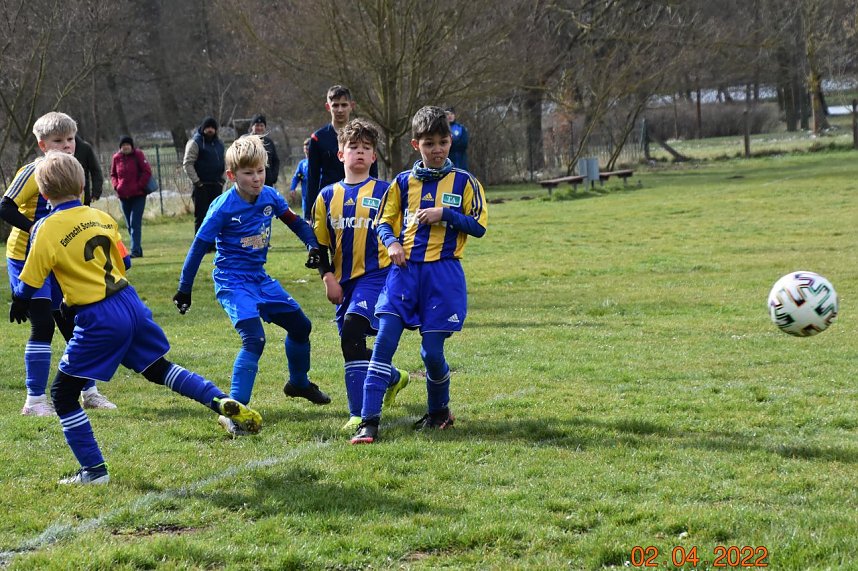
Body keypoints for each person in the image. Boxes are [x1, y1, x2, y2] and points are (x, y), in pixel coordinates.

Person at [9, 150, 262, 484]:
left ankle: (94, 471)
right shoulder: (102, 217)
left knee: (63, 395)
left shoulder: (44, 227)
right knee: (160, 368)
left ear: (43, 193)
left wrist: (20, 300)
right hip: (130, 302)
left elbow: (30, 279)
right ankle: (219, 399)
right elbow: (123, 262)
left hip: (98, 315)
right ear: (83, 184)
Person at [172, 135, 331, 436]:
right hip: (232, 282)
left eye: (260, 170)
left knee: (301, 327)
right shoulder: (222, 208)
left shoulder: (271, 197)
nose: (257, 178)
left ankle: (298, 383)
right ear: (232, 176)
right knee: (254, 340)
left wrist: (312, 245)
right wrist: (184, 288)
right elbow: (197, 247)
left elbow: (296, 223)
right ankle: (234, 413)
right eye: (248, 173)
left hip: (259, 279)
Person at [351, 106, 488, 444]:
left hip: (444, 276)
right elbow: (382, 221)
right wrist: (392, 243)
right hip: (404, 273)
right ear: (416, 145)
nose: (437, 149)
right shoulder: (401, 183)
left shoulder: (466, 183)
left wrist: (445, 214)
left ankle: (439, 411)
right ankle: (368, 422)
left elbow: (479, 226)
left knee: (431, 353)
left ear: (451, 142)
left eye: (443, 142)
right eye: (429, 143)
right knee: (383, 342)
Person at [2, 112, 116, 417]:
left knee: (75, 325)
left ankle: (88, 391)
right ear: (42, 145)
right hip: (26, 257)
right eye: (57, 141)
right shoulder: (34, 171)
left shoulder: (73, 170)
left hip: (59, 260)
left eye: (70, 140)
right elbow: (5, 206)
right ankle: (35, 401)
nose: (66, 146)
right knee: (43, 324)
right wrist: (38, 230)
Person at [312, 119, 409, 431]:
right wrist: (328, 277)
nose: (359, 153)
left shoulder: (385, 193)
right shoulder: (326, 197)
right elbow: (320, 245)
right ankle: (393, 376)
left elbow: (401, 233)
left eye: (366, 149)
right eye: (353, 147)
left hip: (378, 278)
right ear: (341, 154)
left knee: (353, 331)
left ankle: (357, 415)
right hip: (344, 281)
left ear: (374, 157)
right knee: (350, 343)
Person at [306, 85, 378, 221]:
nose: (340, 110)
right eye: (335, 105)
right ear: (328, 107)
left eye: (344, 105)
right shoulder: (317, 138)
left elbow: (373, 170)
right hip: (329, 201)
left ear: (352, 106)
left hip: (361, 199)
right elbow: (312, 177)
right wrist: (309, 214)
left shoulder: (365, 136)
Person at [110, 135, 151, 258]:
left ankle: (135, 251)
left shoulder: (138, 155)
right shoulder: (116, 158)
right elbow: (113, 174)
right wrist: (116, 186)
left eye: (127, 145)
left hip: (138, 195)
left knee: (135, 223)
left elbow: (147, 171)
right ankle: (137, 248)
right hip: (123, 196)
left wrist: (139, 186)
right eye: (123, 145)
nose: (125, 147)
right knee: (129, 224)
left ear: (131, 146)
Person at [182, 116, 225, 234]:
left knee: (216, 216)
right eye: (207, 127)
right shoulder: (195, 143)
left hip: (216, 185)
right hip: (201, 186)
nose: (210, 130)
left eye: (212, 127)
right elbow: (188, 163)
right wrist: (197, 182)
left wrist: (222, 180)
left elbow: (225, 162)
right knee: (201, 217)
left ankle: (213, 244)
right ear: (203, 128)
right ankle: (201, 245)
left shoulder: (219, 144)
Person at [249, 114, 281, 188]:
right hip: (251, 182)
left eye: (261, 125)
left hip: (267, 183)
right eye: (257, 125)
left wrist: (273, 177)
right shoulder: (246, 141)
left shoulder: (269, 142)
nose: (259, 128)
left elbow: (276, 160)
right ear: (252, 127)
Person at [73, 134, 104, 205]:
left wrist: (96, 192)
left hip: (83, 195)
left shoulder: (85, 148)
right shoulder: (55, 148)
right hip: (61, 198)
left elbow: (96, 171)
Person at [289, 138, 310, 216]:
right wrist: (292, 188)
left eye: (308, 148)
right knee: (306, 218)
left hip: (317, 195)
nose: (306, 151)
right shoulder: (302, 164)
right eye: (305, 148)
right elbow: (296, 177)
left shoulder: (319, 162)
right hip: (305, 196)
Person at [445, 107, 469, 171]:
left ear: (455, 115)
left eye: (452, 114)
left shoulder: (461, 128)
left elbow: (464, 144)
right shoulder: (442, 129)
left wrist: (451, 143)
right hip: (446, 162)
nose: (450, 116)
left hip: (460, 161)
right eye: (448, 114)